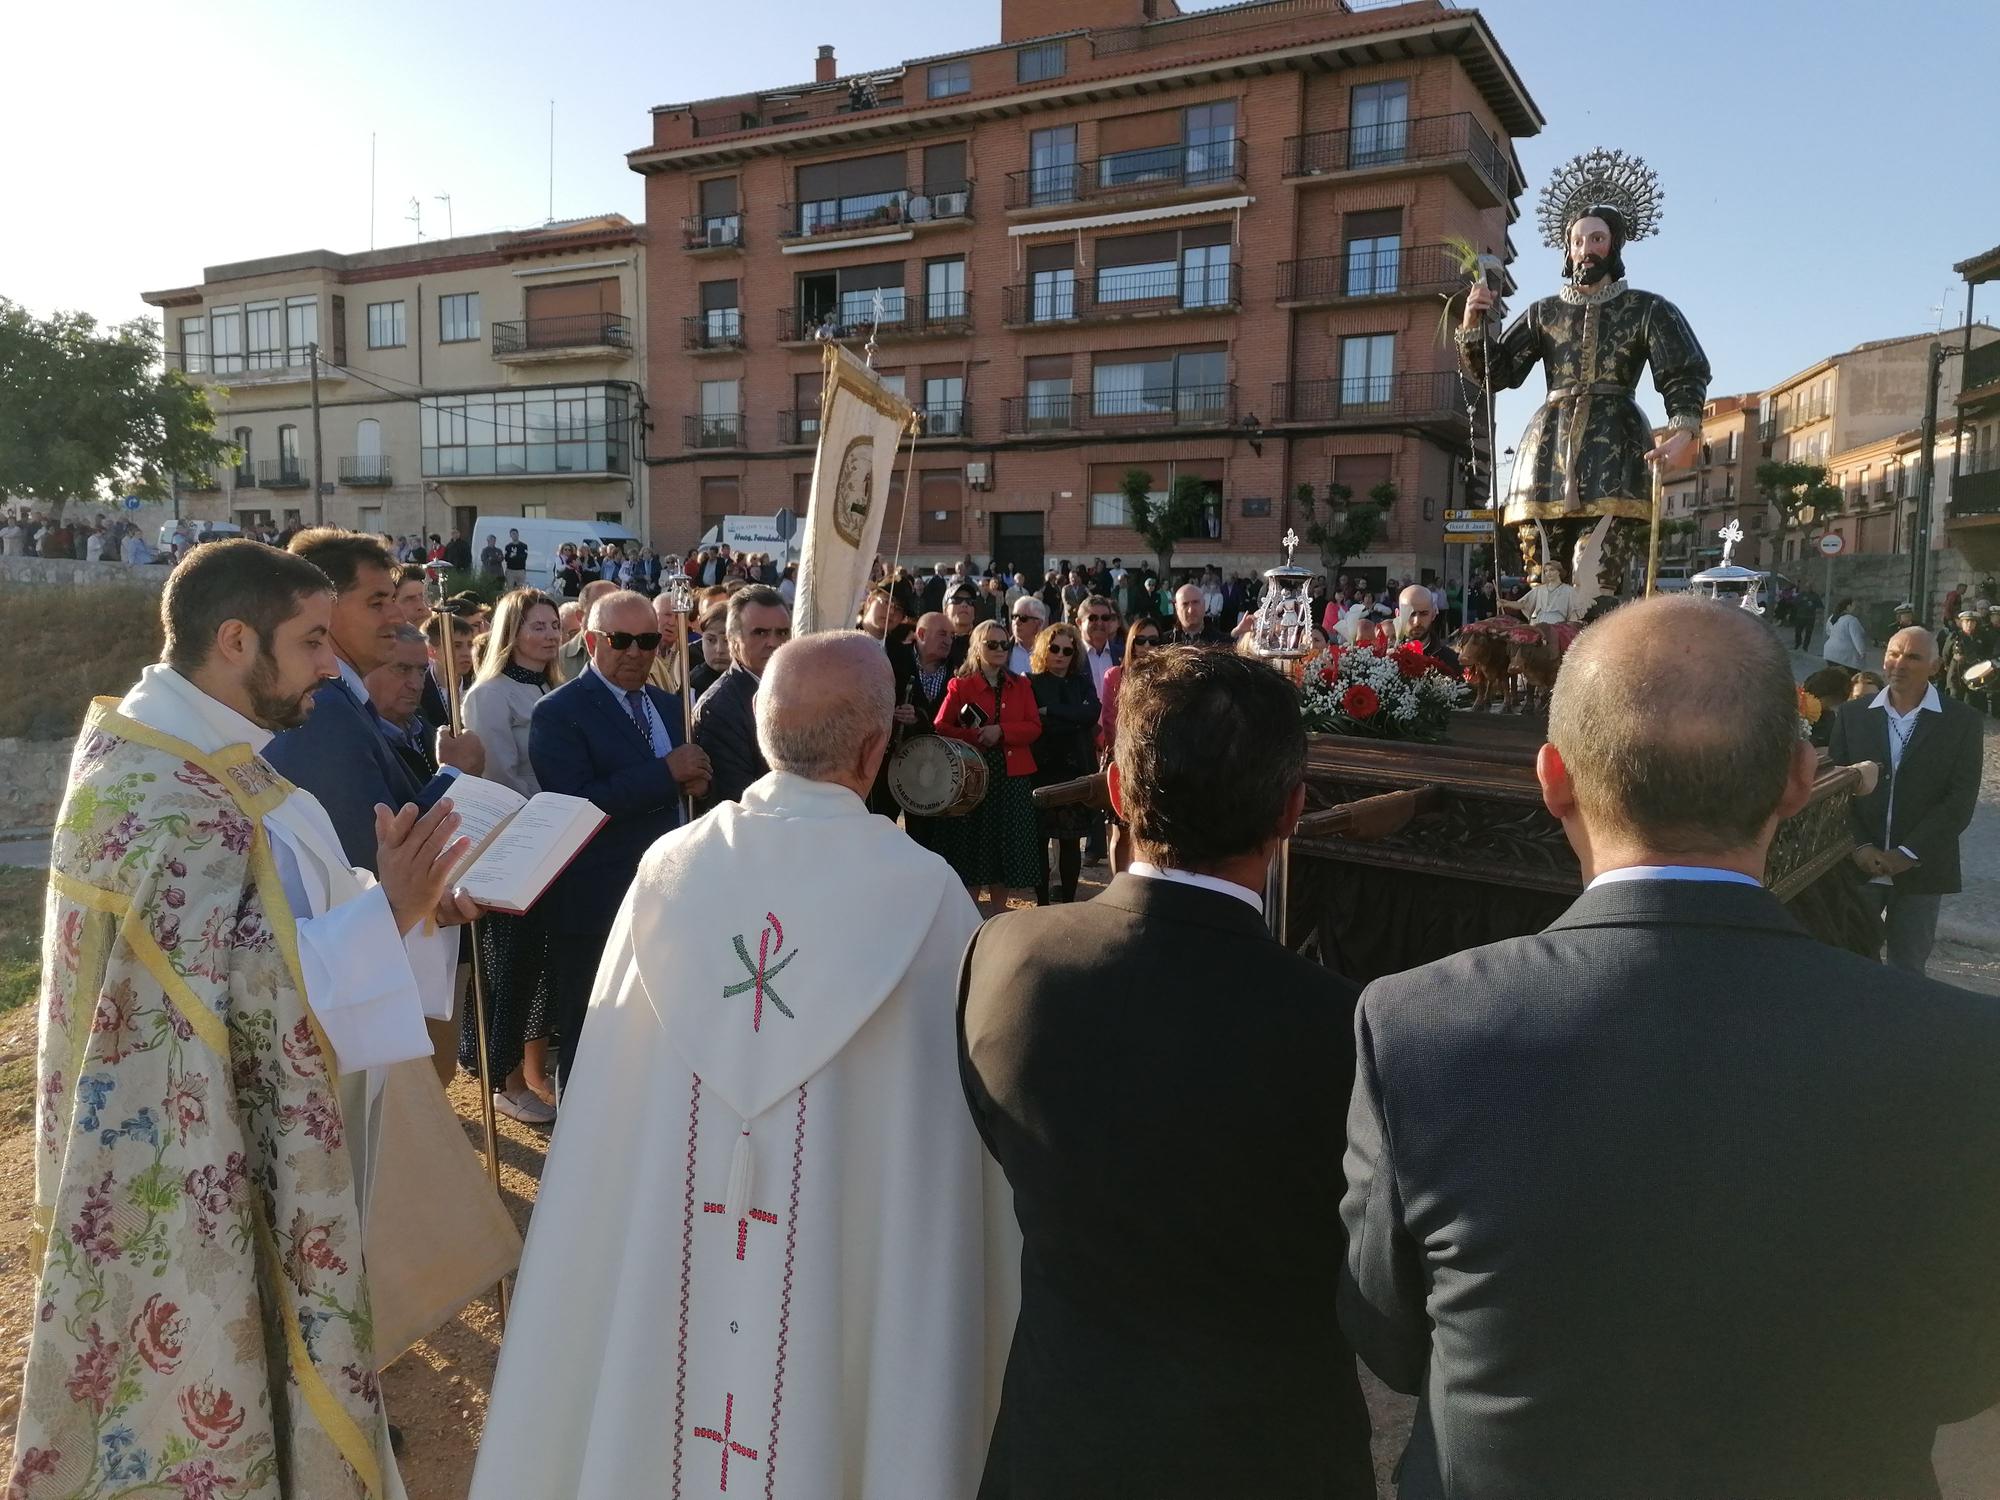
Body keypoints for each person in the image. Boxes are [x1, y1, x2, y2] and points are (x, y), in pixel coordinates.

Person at [1339, 595, 2000, 1500]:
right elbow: (1967, 1366)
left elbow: (1387, 1334)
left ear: (1553, 779)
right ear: (1800, 779)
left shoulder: (1418, 1029)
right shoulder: (1961, 1051)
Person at [472, 634, 1018, 1500]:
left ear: (764, 739)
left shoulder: (670, 870)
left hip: (676, 1243)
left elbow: (614, 1101)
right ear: (878, 751)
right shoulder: (923, 894)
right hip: (842, 1260)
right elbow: (943, 1144)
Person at [18, 540, 483, 1500]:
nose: (331, 663)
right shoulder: (159, 794)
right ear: (235, 639)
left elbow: (272, 924)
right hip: (190, 1176)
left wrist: (397, 898)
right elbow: (230, 1000)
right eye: (313, 641)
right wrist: (386, 914)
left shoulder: (217, 762)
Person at [962, 646, 1376, 1499]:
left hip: (1063, 1443)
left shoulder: (1007, 956)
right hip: (1273, 1456)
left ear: (1115, 791)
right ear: (1293, 810)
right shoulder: (1349, 1026)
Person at [1458, 148, 1709, 598]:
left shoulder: (1647, 309)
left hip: (1616, 443)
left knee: (1593, 576)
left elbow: (1682, 372)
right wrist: (1473, 324)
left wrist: (1682, 431)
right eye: (1577, 241)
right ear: (1566, 249)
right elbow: (1498, 373)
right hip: (1546, 446)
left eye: (1597, 239)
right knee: (1544, 579)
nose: (1586, 250)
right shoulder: (1544, 313)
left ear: (1614, 245)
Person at [530, 590, 712, 1084]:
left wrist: (695, 779)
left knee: (656, 1025)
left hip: (670, 894)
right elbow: (576, 802)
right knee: (592, 1026)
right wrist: (665, 774)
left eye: (648, 639)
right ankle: (577, 1142)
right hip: (596, 899)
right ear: (591, 641)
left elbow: (685, 778)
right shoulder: (558, 712)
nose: (635, 652)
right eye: (621, 640)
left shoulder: (669, 704)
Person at [266, 529, 484, 871]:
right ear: (325, 609)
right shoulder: (322, 710)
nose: (396, 617)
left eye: (393, 600)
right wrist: (455, 774)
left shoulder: (344, 701)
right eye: (377, 602)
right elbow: (377, 861)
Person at [1829, 625, 1985, 975]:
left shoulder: (1962, 721)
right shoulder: (1854, 716)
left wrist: (1909, 853)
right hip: (1859, 866)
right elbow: (1836, 790)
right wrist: (1859, 846)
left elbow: (1959, 800)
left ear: (1934, 667)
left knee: (1908, 969)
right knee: (1851, 963)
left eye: (1912, 656)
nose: (1899, 663)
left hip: (1922, 868)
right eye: (1893, 653)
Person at [462, 588, 565, 1122]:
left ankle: (532, 1073)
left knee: (542, 966)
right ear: (512, 632)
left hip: (558, 843)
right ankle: (501, 1079)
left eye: (553, 625)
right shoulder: (490, 694)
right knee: (510, 966)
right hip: (516, 846)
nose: (549, 635)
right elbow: (501, 773)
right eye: (537, 626)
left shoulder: (554, 688)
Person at [935, 619, 1042, 912]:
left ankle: (997, 913)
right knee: (972, 844)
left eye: (1004, 644)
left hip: (1011, 778)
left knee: (1003, 847)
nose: (999, 649)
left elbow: (1034, 726)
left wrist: (1003, 732)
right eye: (991, 644)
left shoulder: (1021, 684)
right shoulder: (961, 685)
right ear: (977, 648)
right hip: (974, 777)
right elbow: (941, 726)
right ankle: (969, 915)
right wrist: (975, 736)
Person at [693, 584, 790, 807]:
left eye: (782, 632)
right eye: (760, 632)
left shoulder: (798, 689)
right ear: (732, 640)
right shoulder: (718, 708)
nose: (773, 642)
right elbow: (737, 798)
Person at [1027, 620, 1100, 904]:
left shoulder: (1081, 682)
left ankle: (1068, 900)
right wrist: (1072, 716)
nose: (1060, 654)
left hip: (1074, 770)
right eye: (1054, 648)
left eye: (1067, 651)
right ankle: (1042, 901)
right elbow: (1037, 722)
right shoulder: (1030, 682)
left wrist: (1052, 711)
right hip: (1041, 768)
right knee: (1039, 842)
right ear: (1045, 649)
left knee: (1071, 842)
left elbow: (1090, 715)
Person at [365, 622, 439, 784]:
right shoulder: (358, 739)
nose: (417, 685)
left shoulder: (425, 730)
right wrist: (452, 771)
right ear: (367, 669)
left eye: (422, 671)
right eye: (402, 669)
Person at [1941, 605, 1996, 710]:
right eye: (1966, 622)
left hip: (1975, 672)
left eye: (1972, 622)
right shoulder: (1955, 636)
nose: (1969, 625)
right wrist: (1948, 666)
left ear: (1976, 624)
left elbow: (1988, 652)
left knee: (1971, 702)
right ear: (1961, 623)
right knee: (1955, 699)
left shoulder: (1982, 637)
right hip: (1957, 672)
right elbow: (1945, 654)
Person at [1162, 582, 1227, 646]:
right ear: (1176, 608)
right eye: (1185, 604)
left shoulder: (1224, 643)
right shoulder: (1163, 643)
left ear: (1204, 605)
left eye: (1195, 602)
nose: (1191, 610)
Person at [1823, 596, 1870, 671]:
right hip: (1845, 657)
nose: (1856, 608)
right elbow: (1857, 638)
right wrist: (1862, 652)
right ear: (1848, 606)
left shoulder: (1832, 617)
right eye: (1854, 606)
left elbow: (1828, 631)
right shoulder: (1851, 620)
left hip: (1829, 653)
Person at [1006, 595, 1046, 674]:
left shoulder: (1051, 651)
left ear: (1039, 623)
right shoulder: (1003, 649)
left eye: (1023, 618)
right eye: (1014, 617)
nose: (1016, 622)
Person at [1791, 583, 1822, 652]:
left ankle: (1805, 647)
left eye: (1809, 587)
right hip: (1800, 616)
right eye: (1807, 587)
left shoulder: (1815, 596)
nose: (1808, 588)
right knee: (1798, 632)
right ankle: (1798, 643)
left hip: (1810, 617)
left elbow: (1820, 605)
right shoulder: (1801, 595)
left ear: (1811, 588)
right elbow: (1794, 602)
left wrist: (1813, 605)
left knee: (1808, 633)